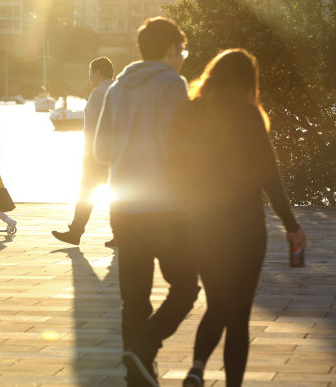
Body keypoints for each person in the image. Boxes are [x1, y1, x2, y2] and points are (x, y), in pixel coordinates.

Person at [166, 49, 307, 387]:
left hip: (203, 227)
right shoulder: (247, 113)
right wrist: (291, 225)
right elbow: (269, 176)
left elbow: (173, 169)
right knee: (238, 313)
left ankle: (197, 368)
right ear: (248, 81)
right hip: (245, 227)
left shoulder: (188, 111)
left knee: (217, 303)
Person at [93, 17, 200, 386]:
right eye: (182, 49)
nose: (183, 56)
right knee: (186, 286)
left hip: (122, 207)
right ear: (171, 49)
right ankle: (145, 348)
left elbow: (101, 151)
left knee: (133, 299)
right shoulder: (172, 85)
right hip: (165, 208)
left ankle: (135, 376)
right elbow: (182, 149)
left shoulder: (116, 88)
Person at [52, 57, 116, 247]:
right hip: (115, 152)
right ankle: (121, 234)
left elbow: (92, 126)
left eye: (90, 72)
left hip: (96, 154)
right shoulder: (119, 91)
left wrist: (86, 153)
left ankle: (75, 232)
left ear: (97, 72)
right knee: (117, 194)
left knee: (86, 192)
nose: (89, 76)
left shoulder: (97, 94)